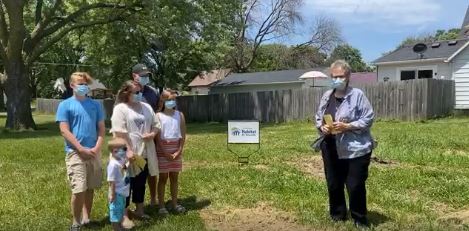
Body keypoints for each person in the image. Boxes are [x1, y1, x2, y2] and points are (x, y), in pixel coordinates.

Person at [315, 60, 375, 228]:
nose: (337, 80)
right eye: (334, 77)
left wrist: (348, 126)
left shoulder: (357, 95)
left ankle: (359, 218)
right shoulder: (327, 96)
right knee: (334, 183)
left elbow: (368, 118)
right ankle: (337, 215)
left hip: (356, 147)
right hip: (331, 145)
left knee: (355, 184)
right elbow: (318, 118)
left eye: (341, 76)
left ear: (348, 76)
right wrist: (323, 127)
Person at [56, 72, 105, 231]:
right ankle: (75, 222)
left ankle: (86, 218)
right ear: (71, 85)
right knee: (79, 188)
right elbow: (64, 130)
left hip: (93, 152)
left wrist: (96, 148)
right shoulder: (65, 105)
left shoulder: (96, 105)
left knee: (90, 187)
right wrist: (80, 148)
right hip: (75, 152)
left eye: (84, 83)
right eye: (79, 83)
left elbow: (101, 129)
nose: (83, 86)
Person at [110, 80, 159, 228]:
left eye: (140, 92)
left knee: (140, 182)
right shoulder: (120, 109)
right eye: (136, 92)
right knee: (125, 185)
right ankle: (124, 215)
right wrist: (128, 151)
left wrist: (152, 134)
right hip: (126, 154)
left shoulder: (146, 107)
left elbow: (156, 124)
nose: (139, 94)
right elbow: (119, 132)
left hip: (144, 153)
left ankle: (139, 210)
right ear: (127, 93)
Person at [131, 63, 161, 205]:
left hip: (151, 136)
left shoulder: (153, 92)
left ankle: (153, 198)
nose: (145, 78)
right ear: (134, 76)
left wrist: (154, 133)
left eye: (147, 76)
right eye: (142, 75)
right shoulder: (127, 91)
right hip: (133, 139)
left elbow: (158, 112)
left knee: (151, 168)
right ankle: (132, 204)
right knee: (134, 170)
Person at [156, 90, 187, 215]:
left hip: (176, 149)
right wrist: (164, 152)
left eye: (173, 99)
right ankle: (161, 206)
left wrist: (179, 150)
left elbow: (183, 134)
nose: (171, 102)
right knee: (163, 178)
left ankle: (174, 203)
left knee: (174, 177)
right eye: (169, 100)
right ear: (163, 101)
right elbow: (157, 137)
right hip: (163, 149)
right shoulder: (158, 116)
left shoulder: (179, 115)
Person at [107, 138, 130, 231]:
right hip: (116, 192)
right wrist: (112, 194)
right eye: (124, 149)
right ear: (115, 151)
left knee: (120, 209)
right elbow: (111, 181)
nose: (126, 150)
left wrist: (129, 163)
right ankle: (115, 228)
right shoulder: (113, 165)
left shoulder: (120, 160)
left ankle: (120, 225)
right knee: (115, 210)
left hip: (122, 191)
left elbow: (124, 168)